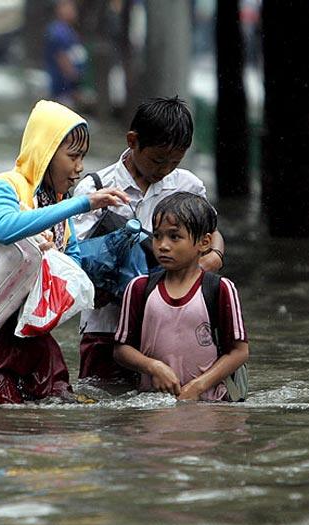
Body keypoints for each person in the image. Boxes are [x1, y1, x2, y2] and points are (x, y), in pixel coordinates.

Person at [0, 99, 129, 405]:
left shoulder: (59, 206)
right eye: (73, 156)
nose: (80, 167)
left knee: (58, 403)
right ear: (45, 153)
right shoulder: (6, 186)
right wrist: (83, 203)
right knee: (1, 420)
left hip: (32, 336)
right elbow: (3, 227)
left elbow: (70, 264)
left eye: (82, 157)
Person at [73, 96, 225, 382]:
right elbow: (73, 255)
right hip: (105, 326)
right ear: (133, 141)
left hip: (171, 326)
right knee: (103, 407)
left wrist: (212, 258)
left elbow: (211, 232)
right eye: (157, 159)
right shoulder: (96, 188)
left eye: (174, 162)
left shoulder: (187, 186)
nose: (164, 169)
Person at [114, 192, 249, 401]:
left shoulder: (220, 289)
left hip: (211, 403)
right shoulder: (140, 288)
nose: (163, 245)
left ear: (204, 243)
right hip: (154, 402)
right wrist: (153, 367)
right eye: (157, 235)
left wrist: (196, 387)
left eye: (175, 237)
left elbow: (239, 352)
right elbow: (122, 349)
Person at [44, 0, 87, 107]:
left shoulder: (69, 30)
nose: (73, 11)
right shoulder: (58, 31)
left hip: (70, 88)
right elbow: (61, 56)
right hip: (62, 87)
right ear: (59, 9)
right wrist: (74, 77)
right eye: (69, 7)